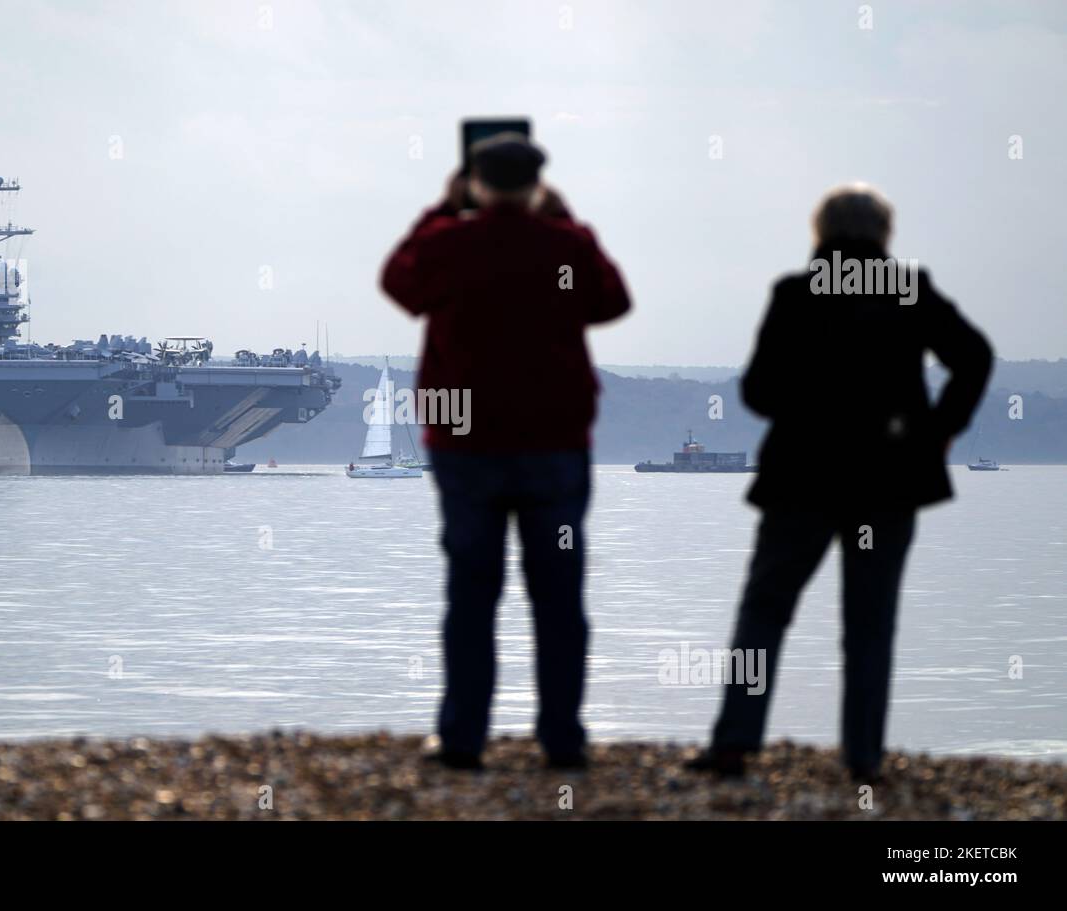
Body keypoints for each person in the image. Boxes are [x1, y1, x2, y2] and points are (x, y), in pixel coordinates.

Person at [689, 183, 993, 781]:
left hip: (801, 477)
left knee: (766, 610)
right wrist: (939, 430)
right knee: (871, 623)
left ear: (819, 233)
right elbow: (975, 356)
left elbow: (757, 391)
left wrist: (805, 406)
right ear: (885, 233)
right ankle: (863, 758)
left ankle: (734, 744)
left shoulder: (796, 293)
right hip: (890, 479)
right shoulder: (908, 289)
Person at [380, 132, 632, 769]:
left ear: (475, 182)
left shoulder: (448, 243)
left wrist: (441, 211)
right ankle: (563, 741)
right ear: (537, 183)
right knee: (560, 599)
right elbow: (612, 301)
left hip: (466, 447)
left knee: (470, 596)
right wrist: (565, 222)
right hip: (554, 444)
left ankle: (463, 740)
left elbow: (399, 284)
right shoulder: (565, 244)